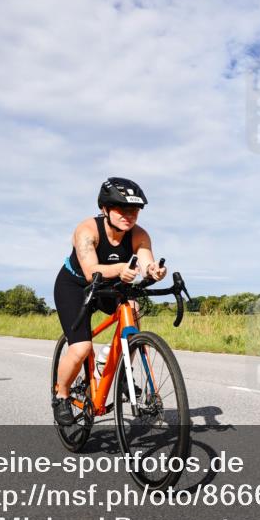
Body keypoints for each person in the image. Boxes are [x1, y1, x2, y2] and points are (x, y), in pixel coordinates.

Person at [51, 177, 166, 425]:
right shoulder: (87, 230)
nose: (129, 215)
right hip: (75, 285)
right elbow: (92, 271)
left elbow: (145, 262)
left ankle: (122, 373)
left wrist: (153, 270)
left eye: (134, 210)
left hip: (109, 284)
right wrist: (122, 267)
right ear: (105, 209)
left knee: (132, 311)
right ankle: (61, 395)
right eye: (122, 209)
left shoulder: (139, 234)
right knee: (81, 348)